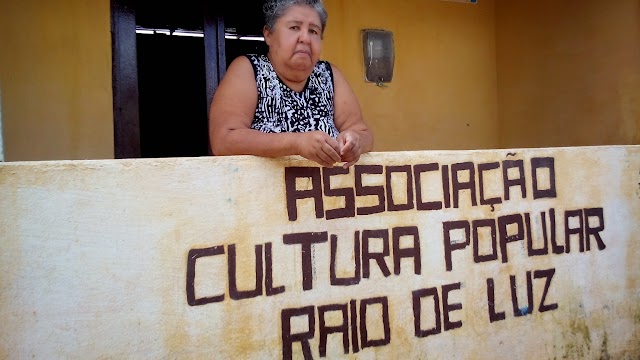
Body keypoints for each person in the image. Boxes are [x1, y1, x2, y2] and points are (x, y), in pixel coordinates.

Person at [209, 0, 373, 168]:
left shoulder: (329, 75)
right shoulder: (249, 69)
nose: (305, 38)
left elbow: (363, 133)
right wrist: (296, 143)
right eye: (294, 28)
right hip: (264, 192)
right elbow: (224, 140)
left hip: (325, 192)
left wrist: (355, 142)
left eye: (313, 31)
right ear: (268, 34)